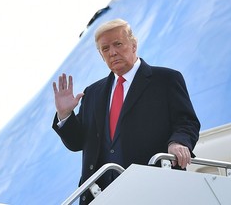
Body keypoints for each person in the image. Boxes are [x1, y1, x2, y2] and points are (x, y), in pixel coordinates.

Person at [52, 18, 200, 204]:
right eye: (105, 49)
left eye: (118, 44)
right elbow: (77, 143)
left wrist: (178, 142)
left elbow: (186, 122)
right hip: (101, 194)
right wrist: (65, 115)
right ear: (101, 55)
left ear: (133, 45)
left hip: (153, 189)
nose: (113, 52)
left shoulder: (166, 80)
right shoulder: (93, 93)